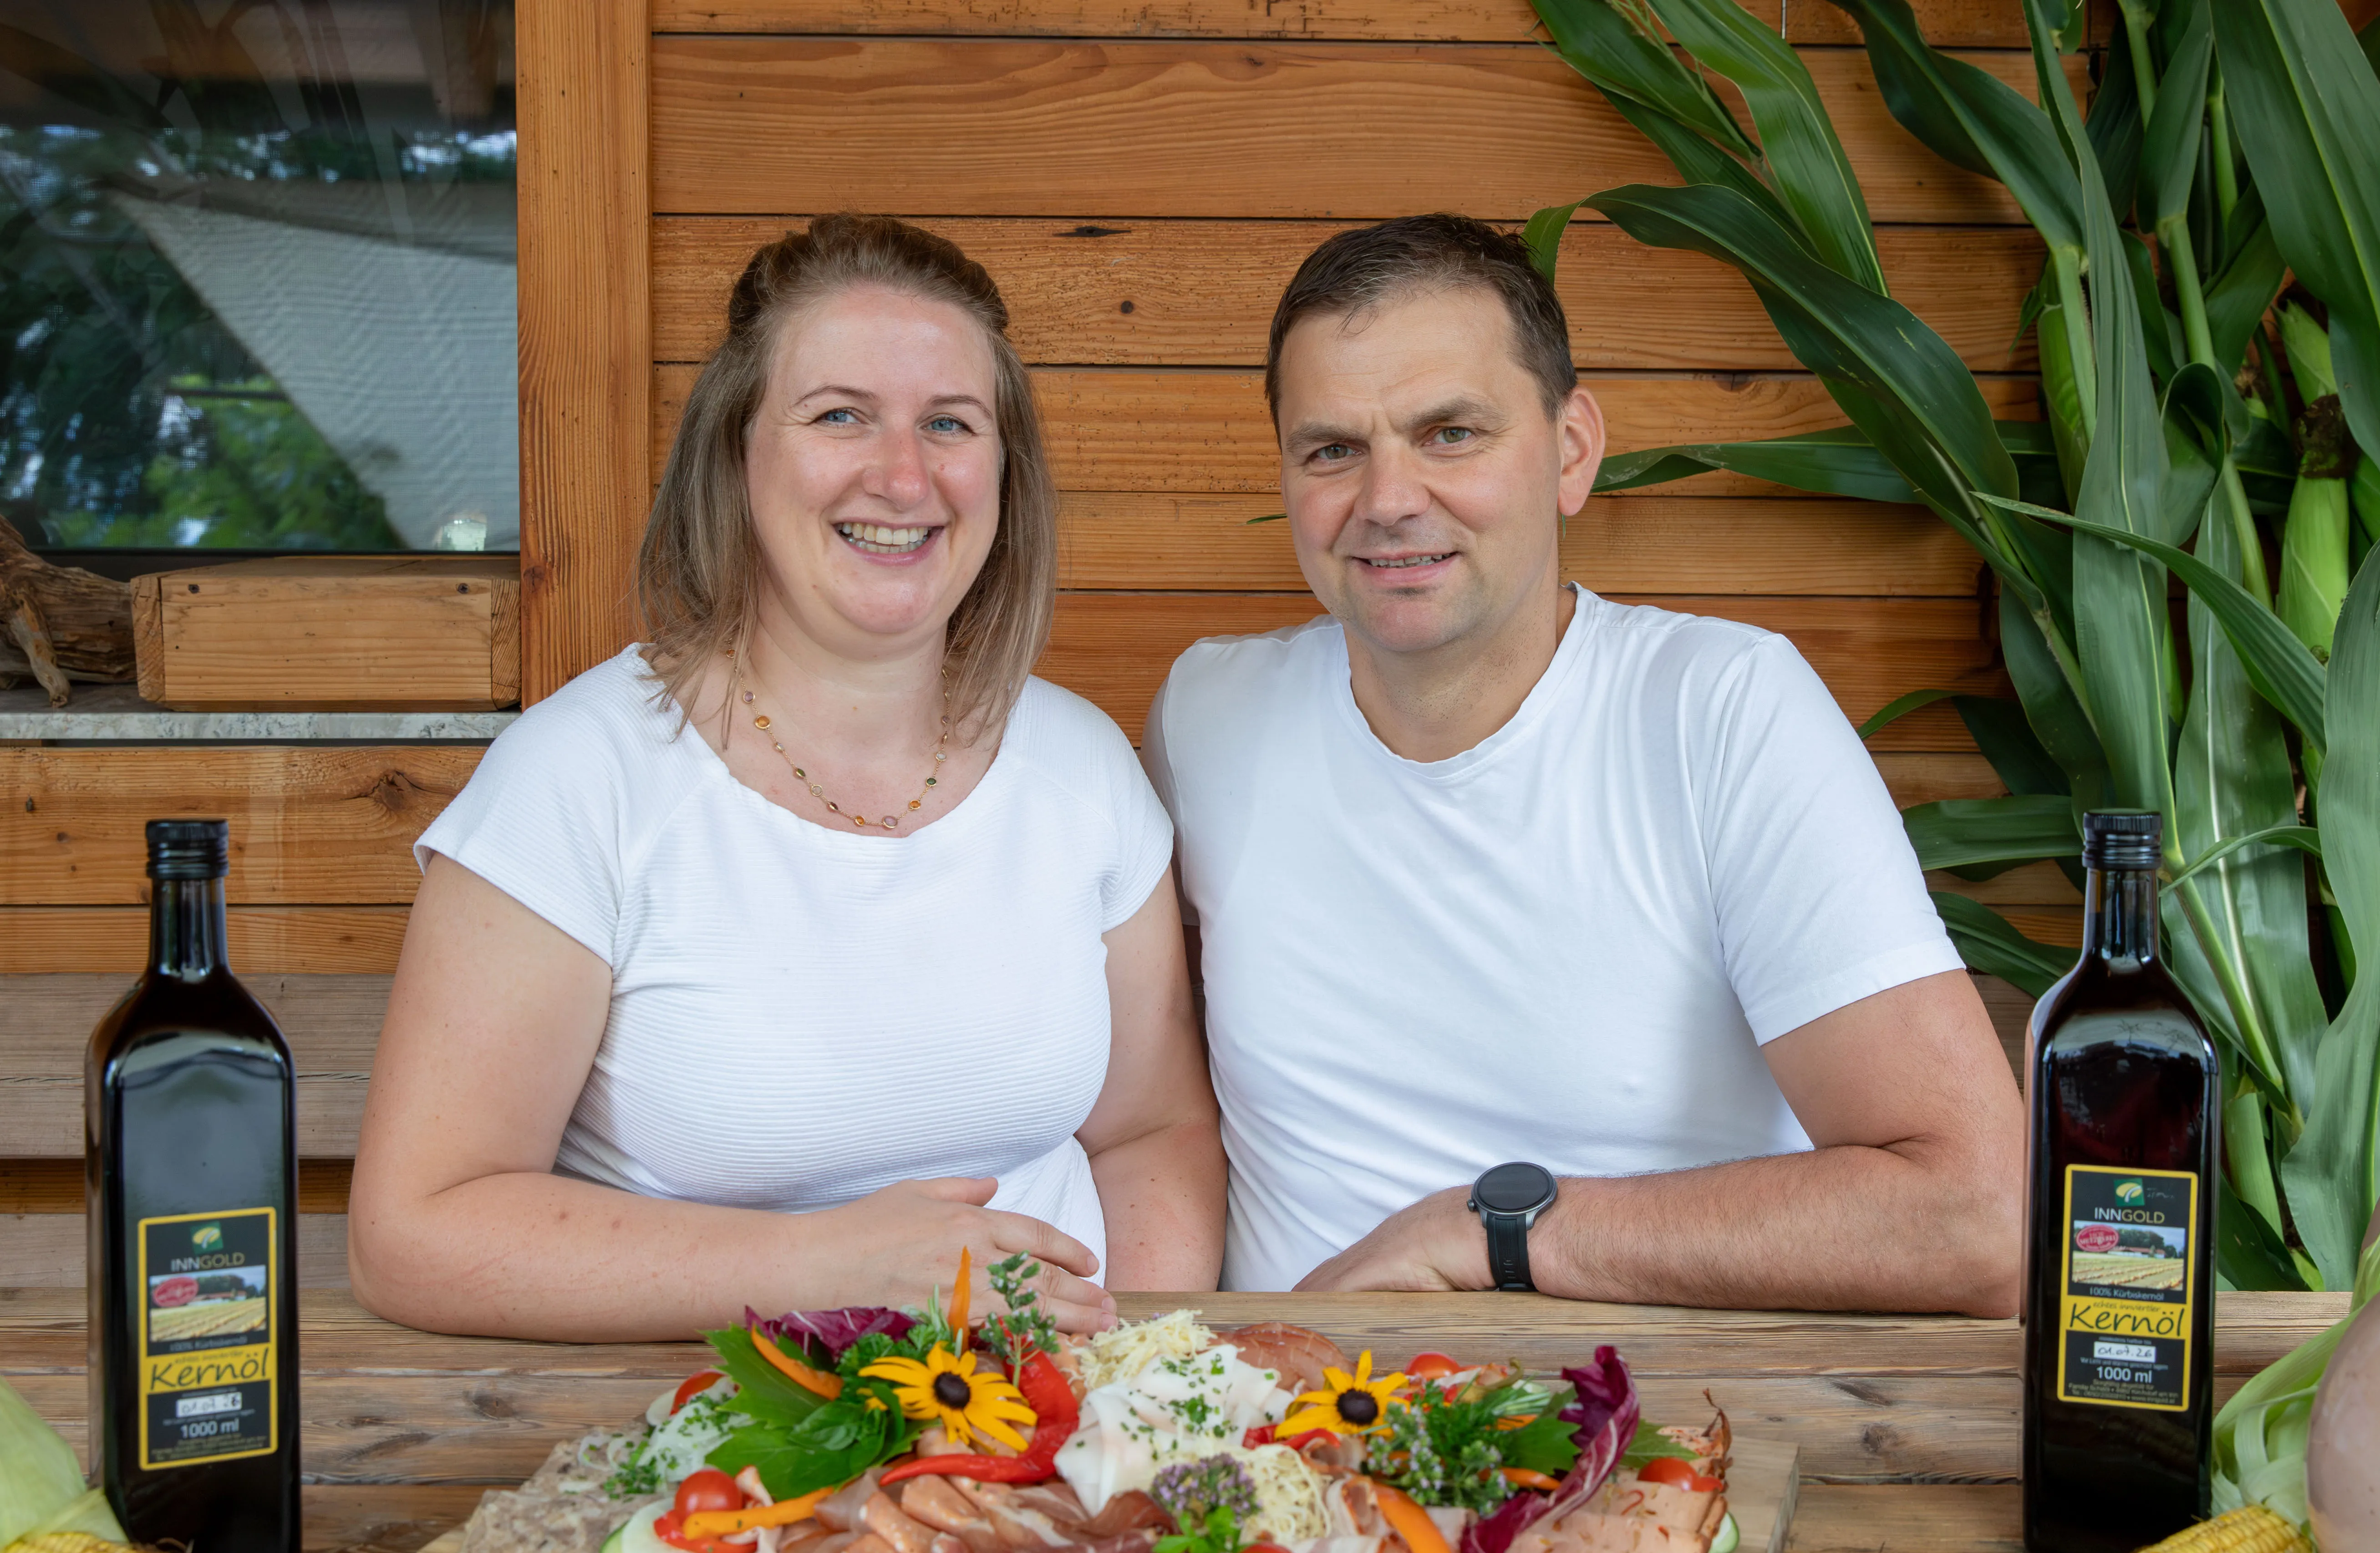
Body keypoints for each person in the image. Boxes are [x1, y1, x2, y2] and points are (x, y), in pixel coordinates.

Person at [349, 216, 1224, 1341]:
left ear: (1004, 473)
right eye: (840, 416)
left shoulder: (1082, 768)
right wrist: (831, 1264)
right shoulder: (582, 778)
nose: (902, 475)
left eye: (948, 424)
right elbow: (415, 1232)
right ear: (736, 452)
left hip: (1049, 1433)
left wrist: (1120, 1376)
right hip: (714, 1442)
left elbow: (1152, 1131)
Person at [1139, 214, 2022, 1312]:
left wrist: (1490, 1232)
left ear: (1570, 452)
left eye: (1450, 433)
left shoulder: (1721, 709)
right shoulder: (1207, 714)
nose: (1388, 499)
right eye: (1332, 449)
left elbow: (1978, 1218)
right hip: (1281, 1428)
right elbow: (1148, 1116)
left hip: (1654, 1423)